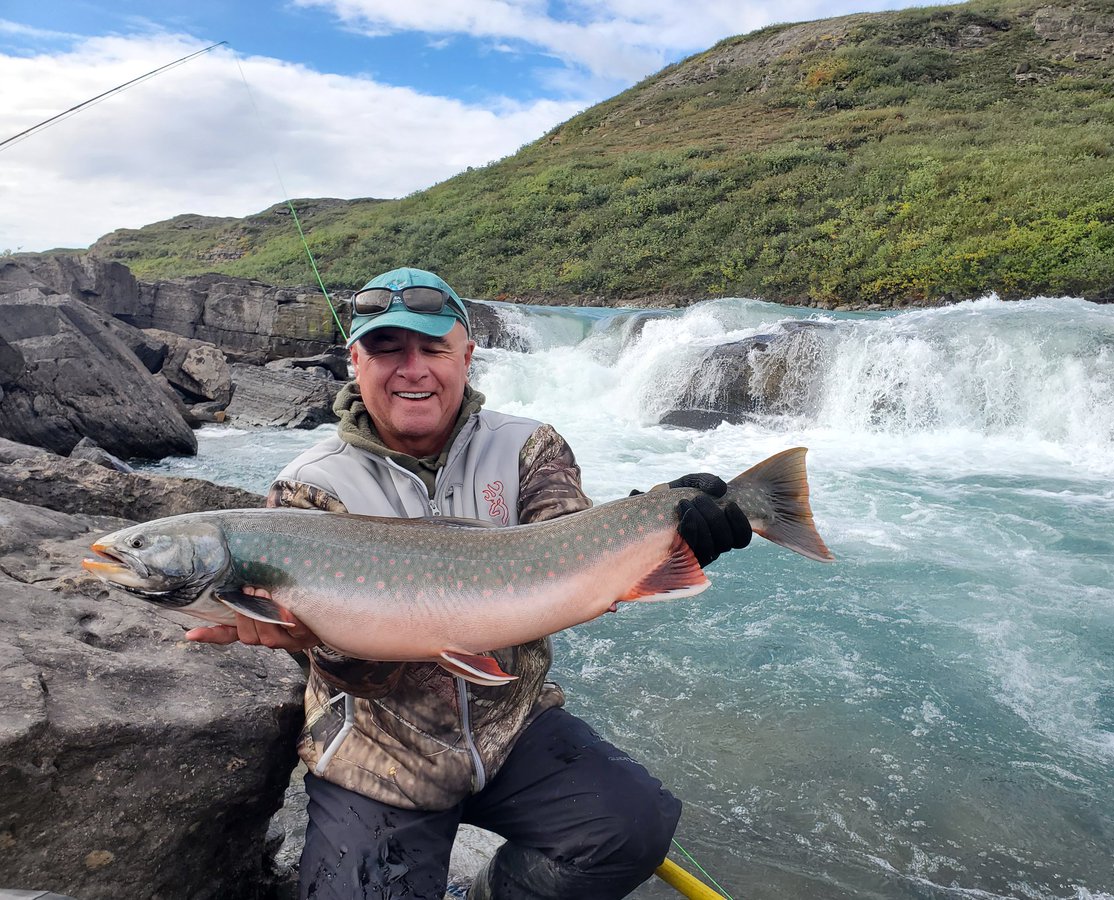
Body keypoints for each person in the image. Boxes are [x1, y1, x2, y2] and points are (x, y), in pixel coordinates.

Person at [187, 267, 751, 900]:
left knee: (636, 825)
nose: (413, 370)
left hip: (512, 725)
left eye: (432, 349)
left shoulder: (528, 448)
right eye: (387, 350)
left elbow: (572, 551)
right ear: (354, 361)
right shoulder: (307, 490)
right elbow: (349, 676)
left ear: (467, 356)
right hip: (379, 752)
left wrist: (662, 522)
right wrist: (304, 638)